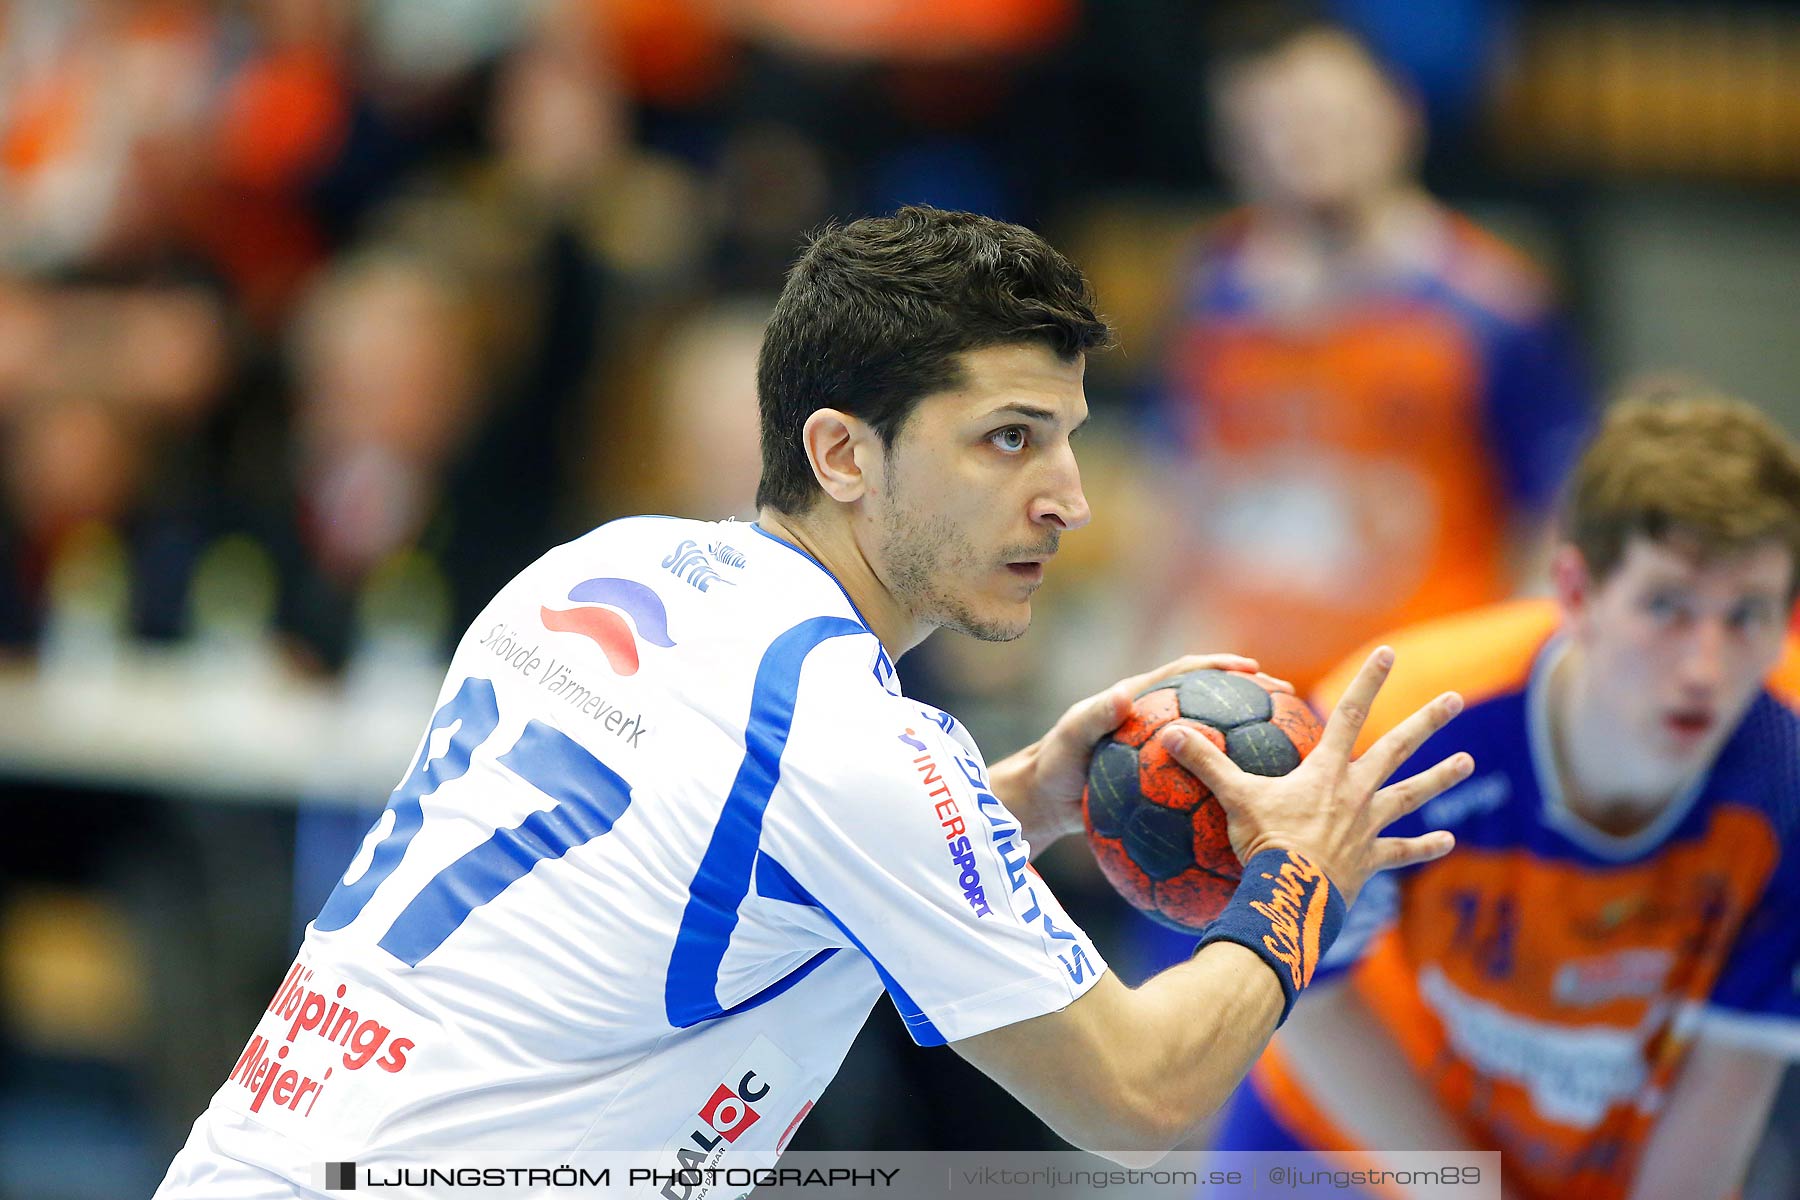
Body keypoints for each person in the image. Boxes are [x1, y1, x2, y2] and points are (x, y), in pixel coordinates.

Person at [154, 207, 1471, 1197]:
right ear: (843, 452)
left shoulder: (598, 569)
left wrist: (1015, 799)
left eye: (1069, 435)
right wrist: (1297, 881)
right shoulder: (851, 743)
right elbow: (1141, 1094)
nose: (1067, 494)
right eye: (1009, 438)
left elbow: (717, 864)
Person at [1211, 387, 1800, 1200]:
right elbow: (1311, 1000)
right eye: (1666, 606)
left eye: (1748, 614)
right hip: (1352, 1134)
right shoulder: (1403, 721)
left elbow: (1734, 1072)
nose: (1706, 666)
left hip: (1600, 1162)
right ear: (1576, 590)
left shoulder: (1789, 777)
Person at [1147, 8, 1590, 693]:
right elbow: (1180, 498)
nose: (1306, 148)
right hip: (1246, 702)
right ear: (1233, 147)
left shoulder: (1492, 308)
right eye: (1275, 128)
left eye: (1330, 120)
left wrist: (1523, 683)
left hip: (1424, 698)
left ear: (1398, 117)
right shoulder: (1213, 297)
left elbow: (1552, 520)